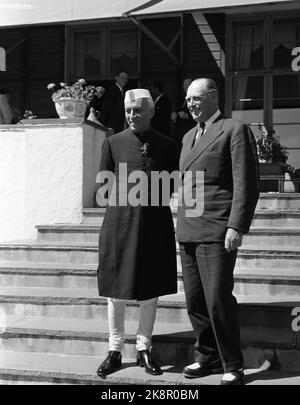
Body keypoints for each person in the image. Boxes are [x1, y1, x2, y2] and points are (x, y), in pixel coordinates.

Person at [176, 78, 259, 385]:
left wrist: (236, 226)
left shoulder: (234, 129)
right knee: (195, 302)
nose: (190, 104)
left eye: (196, 98)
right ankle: (207, 356)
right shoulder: (187, 137)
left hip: (217, 228)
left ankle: (233, 364)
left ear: (213, 96)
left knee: (217, 300)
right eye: (187, 100)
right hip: (188, 229)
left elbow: (245, 183)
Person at [96, 88, 178, 378]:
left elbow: (172, 185)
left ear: (152, 112)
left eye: (138, 110)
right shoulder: (112, 142)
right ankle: (115, 349)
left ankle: (145, 346)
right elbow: (103, 187)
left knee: (150, 290)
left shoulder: (169, 145)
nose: (132, 115)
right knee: (116, 292)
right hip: (119, 226)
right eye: (129, 110)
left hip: (154, 226)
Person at [171, 78, 195, 144]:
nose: (186, 86)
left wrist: (187, 116)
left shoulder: (196, 99)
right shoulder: (182, 99)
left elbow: (201, 116)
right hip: (180, 134)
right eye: (184, 85)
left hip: (191, 133)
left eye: (188, 84)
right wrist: (174, 118)